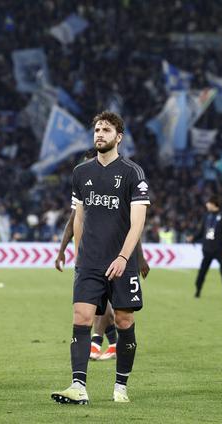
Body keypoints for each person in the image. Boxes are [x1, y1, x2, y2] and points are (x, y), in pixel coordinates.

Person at [51, 111, 150, 404]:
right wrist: (79, 254)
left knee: (123, 321)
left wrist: (123, 257)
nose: (99, 134)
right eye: (96, 129)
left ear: (118, 137)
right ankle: (78, 386)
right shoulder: (81, 173)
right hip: (89, 263)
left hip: (122, 264)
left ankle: (121, 387)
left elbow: (137, 223)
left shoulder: (133, 173)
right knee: (81, 318)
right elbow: (78, 217)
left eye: (106, 130)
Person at [54, 151, 151, 361]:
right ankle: (103, 345)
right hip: (92, 260)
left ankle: (104, 343)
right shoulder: (84, 184)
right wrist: (65, 251)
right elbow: (74, 222)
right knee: (94, 310)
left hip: (119, 260)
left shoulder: (127, 176)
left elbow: (132, 228)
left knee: (115, 313)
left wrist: (138, 258)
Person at [192, 195, 222, 298]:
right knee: (202, 271)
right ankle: (198, 290)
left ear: (213, 204)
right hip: (207, 249)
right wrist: (193, 238)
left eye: (208, 203)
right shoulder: (206, 215)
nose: (207, 205)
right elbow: (201, 231)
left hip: (220, 249)